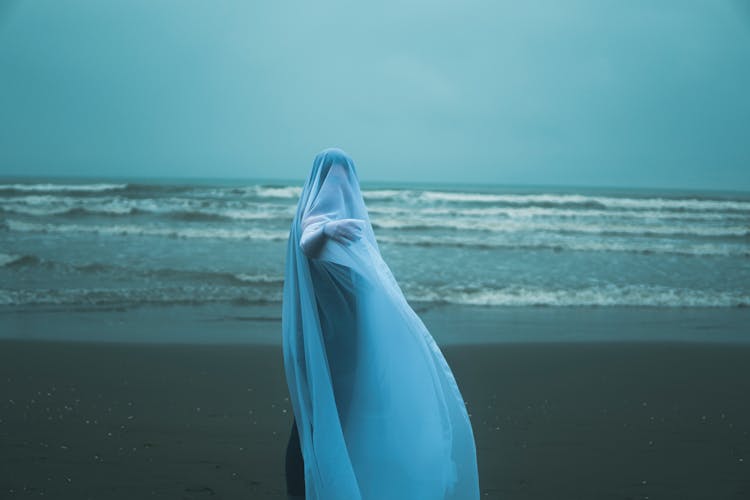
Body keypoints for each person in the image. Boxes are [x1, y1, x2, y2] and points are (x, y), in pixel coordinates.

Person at [281, 147, 480, 500]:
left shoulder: (347, 229)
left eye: (345, 174)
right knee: (316, 421)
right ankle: (308, 488)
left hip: (345, 343)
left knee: (328, 421)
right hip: (327, 344)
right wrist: (327, 228)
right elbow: (308, 242)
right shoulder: (317, 221)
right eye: (335, 173)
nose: (341, 182)